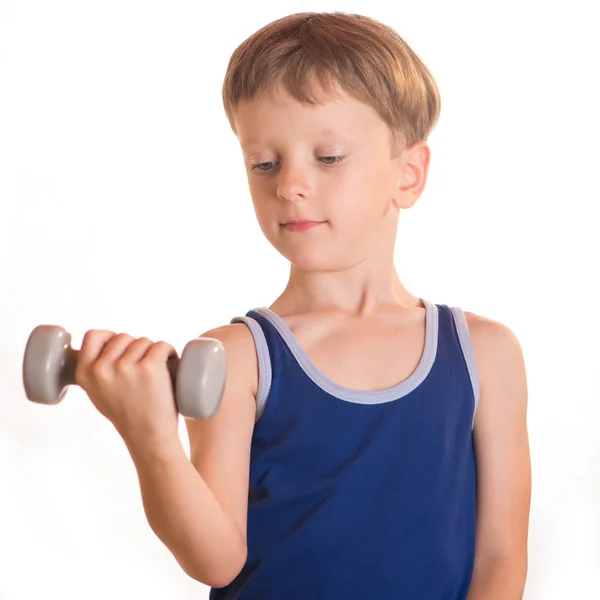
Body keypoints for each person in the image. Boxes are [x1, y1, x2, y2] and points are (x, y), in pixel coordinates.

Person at [74, 11, 531, 600]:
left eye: (329, 157)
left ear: (409, 174)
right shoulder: (236, 357)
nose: (289, 184)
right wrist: (152, 440)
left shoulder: (485, 354)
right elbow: (216, 559)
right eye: (264, 162)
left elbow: (501, 560)